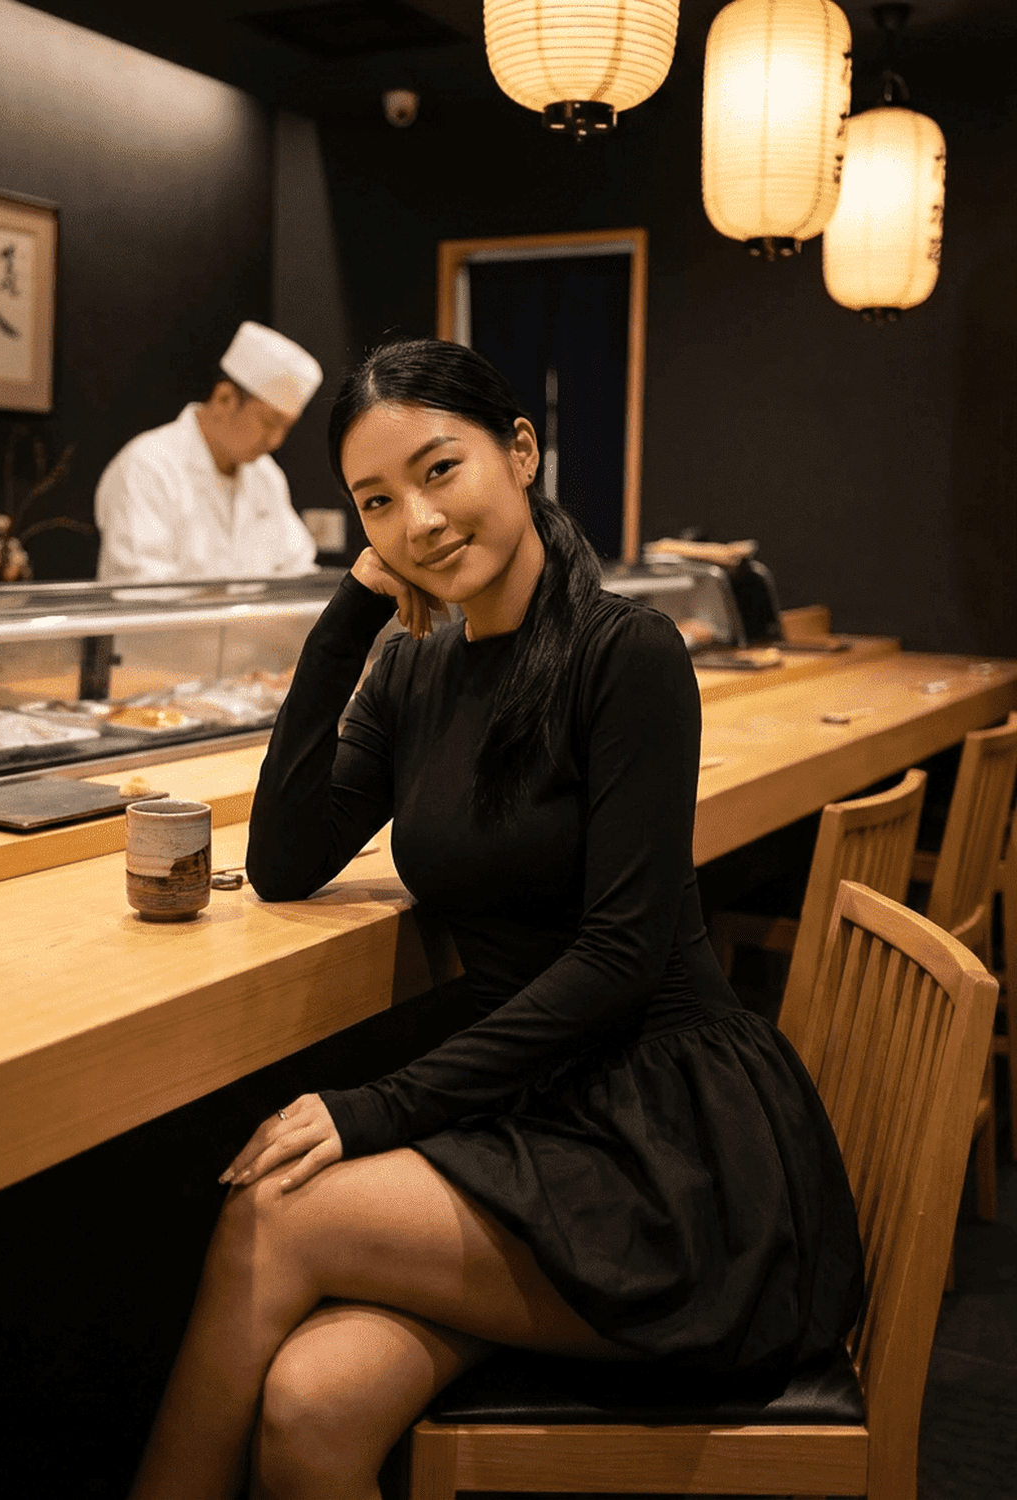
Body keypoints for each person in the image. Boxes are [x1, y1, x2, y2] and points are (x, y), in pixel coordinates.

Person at [128, 339, 864, 1500]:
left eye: (439, 471)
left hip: (661, 1147)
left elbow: (621, 958)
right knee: (312, 1407)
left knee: (272, 1214)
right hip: (529, 1116)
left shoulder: (628, 654)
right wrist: (349, 614)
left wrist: (377, 1108)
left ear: (520, 452)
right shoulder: (414, 671)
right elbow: (283, 861)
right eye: (377, 501)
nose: (416, 521)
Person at [94, 321, 322, 583]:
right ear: (225, 399)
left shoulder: (266, 476)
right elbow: (140, 586)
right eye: (269, 423)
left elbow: (297, 570)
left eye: (286, 428)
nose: (276, 441)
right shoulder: (148, 466)